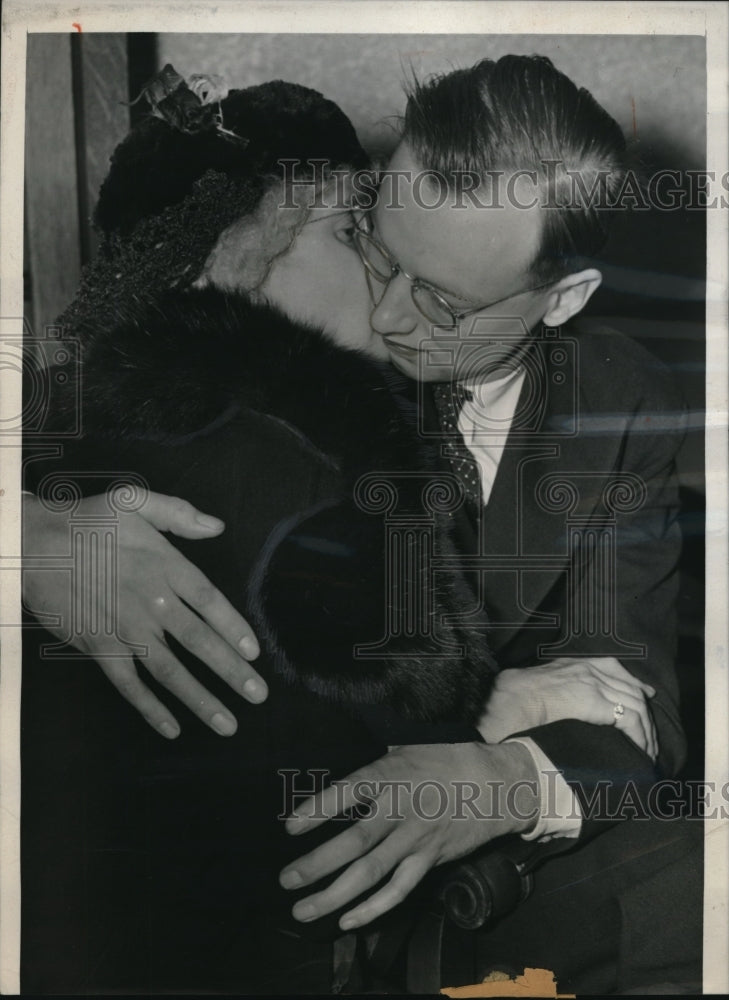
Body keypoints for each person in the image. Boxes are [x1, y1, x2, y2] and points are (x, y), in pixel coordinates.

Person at [21, 56, 700, 993]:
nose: (384, 316)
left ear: (565, 297)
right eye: (378, 248)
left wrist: (506, 784)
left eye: (442, 303)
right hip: (250, 878)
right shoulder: (289, 337)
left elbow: (643, 706)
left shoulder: (621, 397)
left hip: (491, 857)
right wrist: (26, 538)